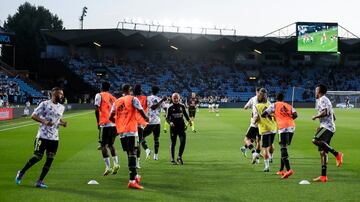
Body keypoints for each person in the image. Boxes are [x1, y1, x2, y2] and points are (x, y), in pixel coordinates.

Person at [15, 87, 67, 188]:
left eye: (62, 94)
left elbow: (57, 120)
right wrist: (44, 121)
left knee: (50, 159)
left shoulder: (61, 107)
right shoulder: (45, 104)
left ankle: (40, 181)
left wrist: (62, 123)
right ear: (53, 94)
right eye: (59, 94)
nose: (61, 96)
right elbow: (33, 116)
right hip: (42, 136)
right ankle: (21, 172)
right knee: (37, 157)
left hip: (54, 138)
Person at [109, 84, 149, 189]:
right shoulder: (133, 99)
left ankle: (135, 176)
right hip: (131, 130)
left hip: (122, 132)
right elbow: (141, 111)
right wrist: (147, 118)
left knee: (129, 153)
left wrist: (119, 123)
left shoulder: (116, 101)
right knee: (133, 153)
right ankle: (132, 181)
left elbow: (110, 117)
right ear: (130, 90)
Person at [311, 84, 343, 182]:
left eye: (316, 90)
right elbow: (333, 115)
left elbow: (325, 112)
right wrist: (321, 127)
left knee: (315, 140)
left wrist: (316, 117)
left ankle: (337, 154)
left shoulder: (322, 99)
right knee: (323, 152)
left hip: (327, 127)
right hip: (326, 126)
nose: (315, 92)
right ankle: (323, 176)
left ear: (319, 91)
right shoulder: (325, 100)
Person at [262, 92, 297, 178]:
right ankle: (281, 170)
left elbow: (263, 114)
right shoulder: (288, 105)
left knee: (283, 147)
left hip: (283, 127)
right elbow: (296, 115)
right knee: (284, 147)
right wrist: (287, 118)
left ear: (276, 98)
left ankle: (289, 170)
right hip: (292, 126)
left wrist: (272, 115)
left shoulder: (274, 105)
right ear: (283, 98)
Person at [94, 82, 119, 176]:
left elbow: (96, 109)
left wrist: (98, 122)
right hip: (114, 124)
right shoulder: (113, 97)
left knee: (103, 145)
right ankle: (116, 164)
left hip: (104, 124)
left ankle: (108, 167)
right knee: (111, 145)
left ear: (101, 87)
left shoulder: (99, 95)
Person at [253, 88, 277, 172]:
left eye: (259, 94)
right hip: (273, 128)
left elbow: (256, 118)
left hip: (265, 129)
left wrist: (254, 121)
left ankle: (267, 166)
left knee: (265, 148)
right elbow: (275, 115)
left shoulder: (257, 106)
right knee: (271, 144)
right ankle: (271, 157)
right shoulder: (271, 104)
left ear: (261, 96)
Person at [141, 86, 167, 160]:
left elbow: (153, 107)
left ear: (151, 90)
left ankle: (147, 150)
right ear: (158, 91)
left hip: (151, 122)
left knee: (141, 137)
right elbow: (165, 108)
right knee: (156, 139)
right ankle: (156, 155)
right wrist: (165, 111)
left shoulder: (148, 98)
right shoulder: (160, 99)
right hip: (157, 122)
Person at [166, 93, 192, 165]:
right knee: (173, 143)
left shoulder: (182, 106)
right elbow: (167, 118)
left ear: (179, 98)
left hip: (181, 127)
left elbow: (186, 115)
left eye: (177, 98)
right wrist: (170, 122)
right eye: (174, 98)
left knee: (183, 142)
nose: (176, 99)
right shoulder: (170, 107)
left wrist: (189, 120)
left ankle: (179, 157)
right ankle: (172, 159)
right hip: (173, 128)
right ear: (172, 98)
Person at [240, 87, 262, 163]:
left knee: (248, 139)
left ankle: (253, 152)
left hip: (254, 123)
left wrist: (252, 109)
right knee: (258, 140)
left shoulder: (253, 99)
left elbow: (245, 107)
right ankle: (257, 157)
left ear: (256, 92)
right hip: (262, 124)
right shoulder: (265, 100)